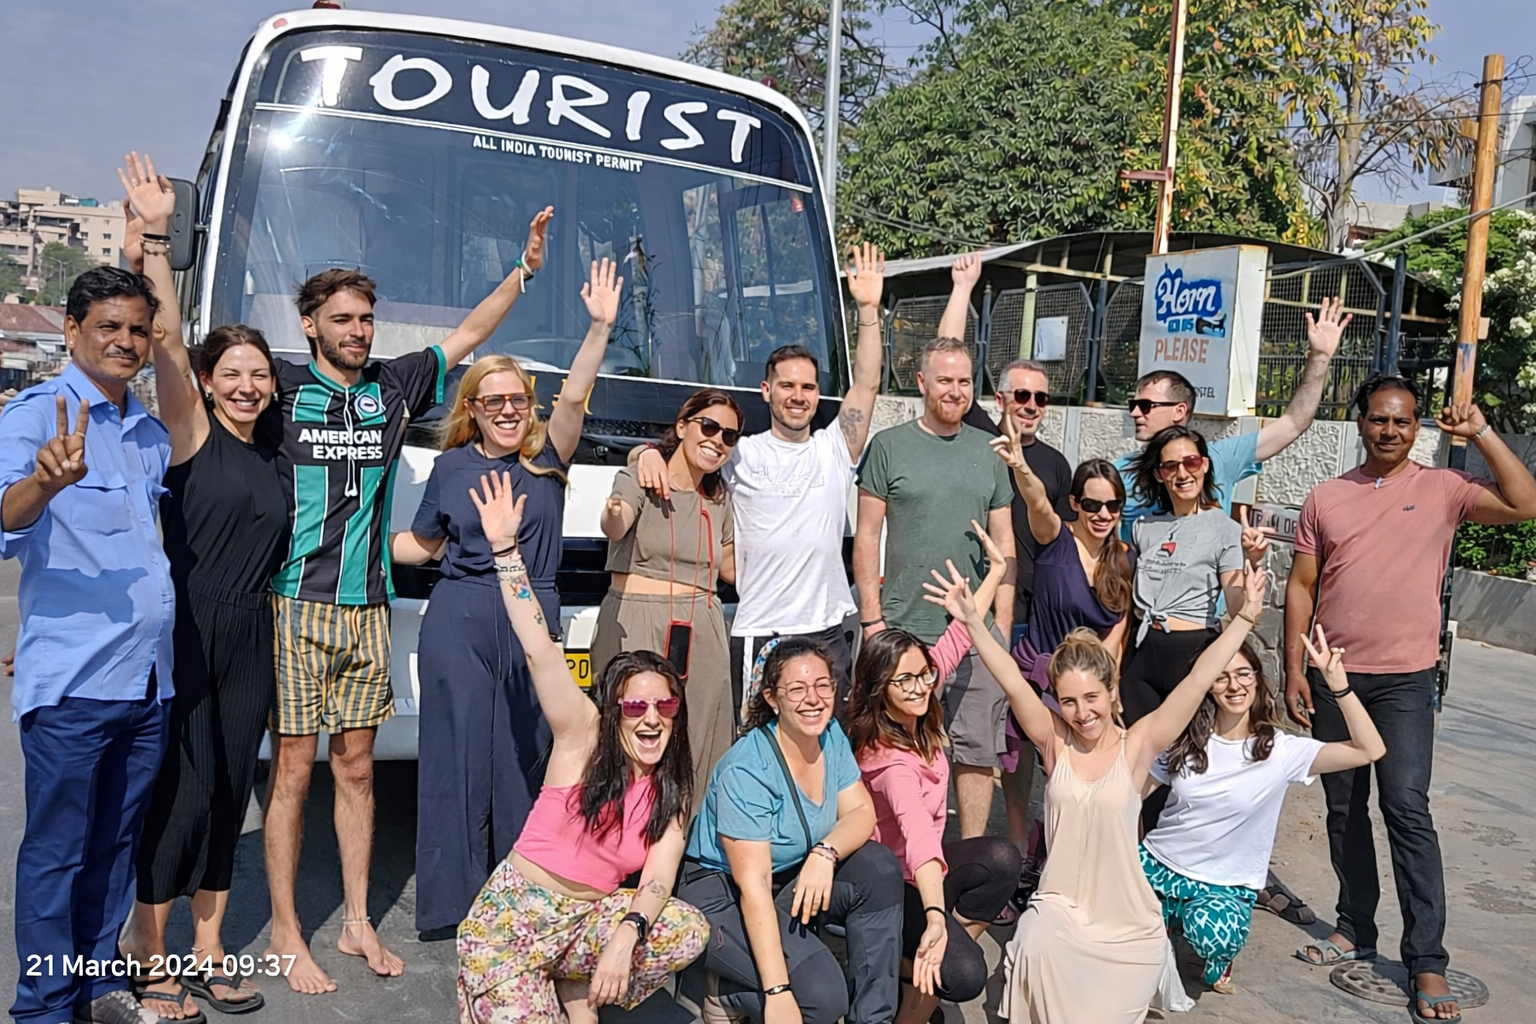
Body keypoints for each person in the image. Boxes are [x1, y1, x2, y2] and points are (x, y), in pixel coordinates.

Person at [262, 205, 553, 993]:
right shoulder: (281, 388)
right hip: (295, 605)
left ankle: (356, 923)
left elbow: (467, 336)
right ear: (310, 324)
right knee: (293, 771)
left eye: (366, 319)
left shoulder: (394, 387)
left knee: (355, 767)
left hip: (369, 609)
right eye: (342, 319)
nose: (358, 330)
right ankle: (288, 931)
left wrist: (523, 270)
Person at [1284, 377, 1536, 1023]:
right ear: (1360, 422)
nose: (1389, 431)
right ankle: (1353, 927)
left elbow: (1525, 502)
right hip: (1334, 678)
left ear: (1417, 426)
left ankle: (1427, 960)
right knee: (1344, 809)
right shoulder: (1326, 497)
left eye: (1401, 422)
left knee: (1406, 809)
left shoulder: (1444, 490)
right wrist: (1293, 669)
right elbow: (1301, 588)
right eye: (1378, 420)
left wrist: (1479, 429)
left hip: (1404, 682)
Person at [937, 552, 1269, 1024]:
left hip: (1126, 920)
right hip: (1059, 908)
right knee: (1033, 944)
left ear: (1113, 691)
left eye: (1091, 697)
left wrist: (1246, 618)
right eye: (1068, 701)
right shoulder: (1055, 743)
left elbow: (1196, 683)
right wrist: (972, 619)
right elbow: (1012, 682)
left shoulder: (1139, 746)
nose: (1081, 712)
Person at [392, 258, 621, 939]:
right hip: (458, 616)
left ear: (529, 405)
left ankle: (522, 901)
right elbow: (422, 546)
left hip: (534, 623)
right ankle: (454, 909)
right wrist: (348, 542)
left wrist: (600, 328)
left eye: (516, 398)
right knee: (452, 765)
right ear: (472, 408)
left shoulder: (547, 458)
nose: (505, 409)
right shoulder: (451, 466)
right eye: (491, 400)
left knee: (527, 759)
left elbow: (576, 397)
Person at [117, 155, 283, 1019]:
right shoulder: (190, 434)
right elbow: (170, 342)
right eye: (235, 373)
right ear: (213, 383)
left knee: (225, 797)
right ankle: (148, 952)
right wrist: (152, 239)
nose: (249, 385)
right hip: (186, 628)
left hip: (251, 633)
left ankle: (211, 948)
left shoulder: (272, 457)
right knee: (177, 794)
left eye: (260, 374)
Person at [456, 470, 709, 1024]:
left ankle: (574, 983)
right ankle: (545, 993)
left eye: (664, 707)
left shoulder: (672, 783)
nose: (650, 718)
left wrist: (626, 936)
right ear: (615, 711)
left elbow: (659, 877)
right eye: (635, 706)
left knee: (687, 928)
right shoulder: (584, 736)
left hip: (587, 924)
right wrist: (504, 549)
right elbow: (540, 650)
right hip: (512, 926)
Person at [0, 266, 175, 1024]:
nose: (125, 341)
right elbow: (5, 522)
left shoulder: (148, 431)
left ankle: (99, 984)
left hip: (146, 684)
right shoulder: (37, 417)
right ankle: (43, 1006)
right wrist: (43, 485)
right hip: (73, 685)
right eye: (108, 326)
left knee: (114, 846)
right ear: (71, 331)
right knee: (57, 855)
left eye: (138, 328)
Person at [635, 244, 888, 713]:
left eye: (808, 387)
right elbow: (685, 447)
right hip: (761, 629)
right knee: (758, 744)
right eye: (787, 386)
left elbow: (868, 384)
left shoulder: (835, 448)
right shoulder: (739, 452)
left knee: (825, 745)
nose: (798, 396)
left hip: (826, 629)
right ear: (766, 391)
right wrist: (645, 453)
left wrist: (868, 310)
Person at [1141, 626, 1385, 995]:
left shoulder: (1281, 752)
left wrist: (1340, 686)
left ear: (1257, 679)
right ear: (1207, 685)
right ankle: (1165, 924)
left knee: (1212, 934)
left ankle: (1214, 956)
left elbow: (1369, 750)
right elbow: (1129, 795)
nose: (1234, 685)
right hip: (1159, 864)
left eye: (1243, 674)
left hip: (1225, 884)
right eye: (1220, 677)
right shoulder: (1184, 739)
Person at [844, 525, 1021, 1024]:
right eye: (907, 680)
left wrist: (996, 573)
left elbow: (958, 636)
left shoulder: (915, 701)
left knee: (1002, 858)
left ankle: (918, 970)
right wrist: (938, 919)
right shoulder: (889, 760)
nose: (923, 686)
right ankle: (899, 971)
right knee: (965, 975)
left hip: (923, 874)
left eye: (924, 674)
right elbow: (920, 839)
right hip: (889, 886)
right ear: (881, 688)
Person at [677, 637, 902, 1024]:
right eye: (796, 689)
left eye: (822, 685)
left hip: (789, 876)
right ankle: (724, 993)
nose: (812, 698)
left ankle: (874, 1019)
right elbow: (754, 886)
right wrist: (777, 991)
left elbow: (861, 812)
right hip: (725, 893)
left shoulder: (829, 734)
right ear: (772, 698)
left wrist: (824, 853)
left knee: (878, 867)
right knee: (822, 1000)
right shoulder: (747, 769)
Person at [854, 334, 1015, 842]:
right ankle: (902, 864)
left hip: (976, 632)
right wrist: (873, 620)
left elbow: (1006, 545)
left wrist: (1000, 629)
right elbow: (867, 537)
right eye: (944, 380)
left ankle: (970, 865)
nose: (956, 390)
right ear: (922, 383)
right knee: (898, 752)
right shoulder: (889, 446)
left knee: (975, 752)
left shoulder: (988, 453)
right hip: (905, 631)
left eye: (965, 381)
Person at [594, 388, 740, 804]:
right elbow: (615, 523)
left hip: (703, 630)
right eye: (709, 426)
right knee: (630, 733)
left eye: (729, 436)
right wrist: (613, 510)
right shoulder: (643, 470)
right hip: (638, 620)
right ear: (682, 426)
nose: (717, 440)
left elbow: (728, 568)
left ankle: (689, 851)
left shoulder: (719, 497)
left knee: (698, 741)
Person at [1118, 297, 1354, 535]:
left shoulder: (1221, 458)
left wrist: (1320, 358)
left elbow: (1293, 423)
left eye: (1146, 405)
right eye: (1134, 405)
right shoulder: (1119, 472)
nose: (1135, 413)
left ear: (1179, 410)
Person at [1120, 425, 1264, 725]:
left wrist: (1252, 561)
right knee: (1138, 757)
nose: (1182, 473)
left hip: (1193, 652)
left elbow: (1237, 604)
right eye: (1171, 466)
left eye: (1191, 462)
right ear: (1159, 474)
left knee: (1190, 759)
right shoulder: (1142, 526)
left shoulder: (1225, 528)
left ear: (1205, 465)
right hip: (1142, 651)